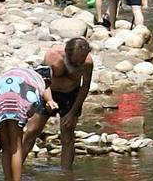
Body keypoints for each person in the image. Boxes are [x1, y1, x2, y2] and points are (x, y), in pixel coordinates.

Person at [20, 38, 96, 169]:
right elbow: (42, 81)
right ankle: (14, 169)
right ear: (67, 53)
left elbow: (85, 87)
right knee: (32, 131)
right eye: (76, 60)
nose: (79, 63)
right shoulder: (53, 56)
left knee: (67, 135)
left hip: (71, 94)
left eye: (82, 59)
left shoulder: (87, 62)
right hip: (48, 91)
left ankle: (66, 176)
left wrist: (72, 113)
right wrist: (49, 100)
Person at [0, 66, 55, 181]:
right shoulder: (38, 82)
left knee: (6, 146)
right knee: (16, 145)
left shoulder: (19, 73)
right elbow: (33, 105)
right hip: (18, 94)